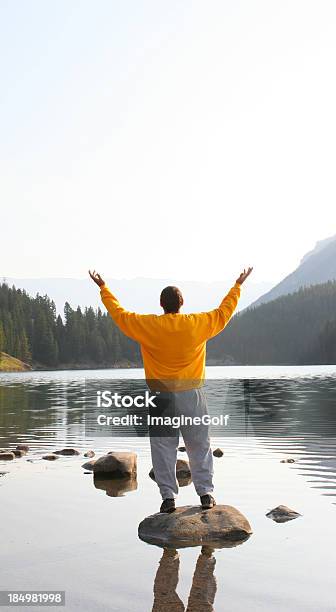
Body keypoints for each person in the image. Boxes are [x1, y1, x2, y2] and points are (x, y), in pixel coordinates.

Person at [89, 266, 253, 513]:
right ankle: (206, 494)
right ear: (182, 303)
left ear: (161, 304)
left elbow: (120, 315)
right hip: (192, 394)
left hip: (160, 395)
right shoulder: (197, 323)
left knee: (163, 447)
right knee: (199, 445)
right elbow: (224, 312)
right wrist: (237, 286)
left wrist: (103, 289)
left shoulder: (148, 325)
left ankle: (168, 498)